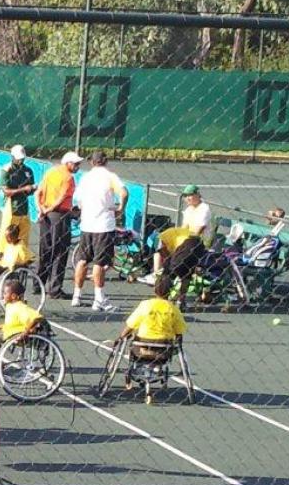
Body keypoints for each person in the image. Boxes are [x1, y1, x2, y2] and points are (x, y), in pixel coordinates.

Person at [70, 151, 128, 312]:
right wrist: (121, 209)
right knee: (99, 263)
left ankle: (77, 296)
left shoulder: (86, 177)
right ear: (106, 161)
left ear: (92, 162)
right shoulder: (110, 176)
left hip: (87, 225)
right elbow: (124, 193)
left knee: (82, 260)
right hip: (103, 226)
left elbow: (79, 200)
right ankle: (99, 298)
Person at [36, 150, 82, 298]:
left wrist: (41, 210)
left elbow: (38, 192)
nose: (78, 166)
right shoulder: (68, 178)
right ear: (68, 163)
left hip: (46, 215)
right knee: (60, 252)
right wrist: (49, 209)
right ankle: (55, 289)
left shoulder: (51, 172)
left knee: (45, 250)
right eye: (76, 164)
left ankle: (38, 284)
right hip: (60, 216)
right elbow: (61, 198)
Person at [144, 185, 212, 281]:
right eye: (185, 196)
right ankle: (157, 274)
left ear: (198, 195)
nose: (187, 198)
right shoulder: (188, 210)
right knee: (158, 239)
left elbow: (197, 232)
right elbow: (183, 228)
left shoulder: (204, 209)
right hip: (185, 239)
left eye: (190, 195)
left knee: (167, 242)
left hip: (198, 242)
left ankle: (163, 274)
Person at [116, 274, 186, 352]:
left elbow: (130, 326)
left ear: (154, 289)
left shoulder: (146, 305)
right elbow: (179, 331)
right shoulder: (173, 308)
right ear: (170, 291)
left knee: (134, 339)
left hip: (143, 343)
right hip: (164, 346)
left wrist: (121, 338)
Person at [0, 144, 36, 254]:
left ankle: (21, 256)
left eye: (22, 158)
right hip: (11, 207)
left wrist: (32, 189)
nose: (21, 161)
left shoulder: (28, 170)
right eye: (18, 158)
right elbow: (6, 191)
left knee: (24, 234)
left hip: (24, 208)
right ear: (12, 157)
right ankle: (2, 254)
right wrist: (24, 189)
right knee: (7, 233)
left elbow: (31, 189)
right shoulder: (6, 170)